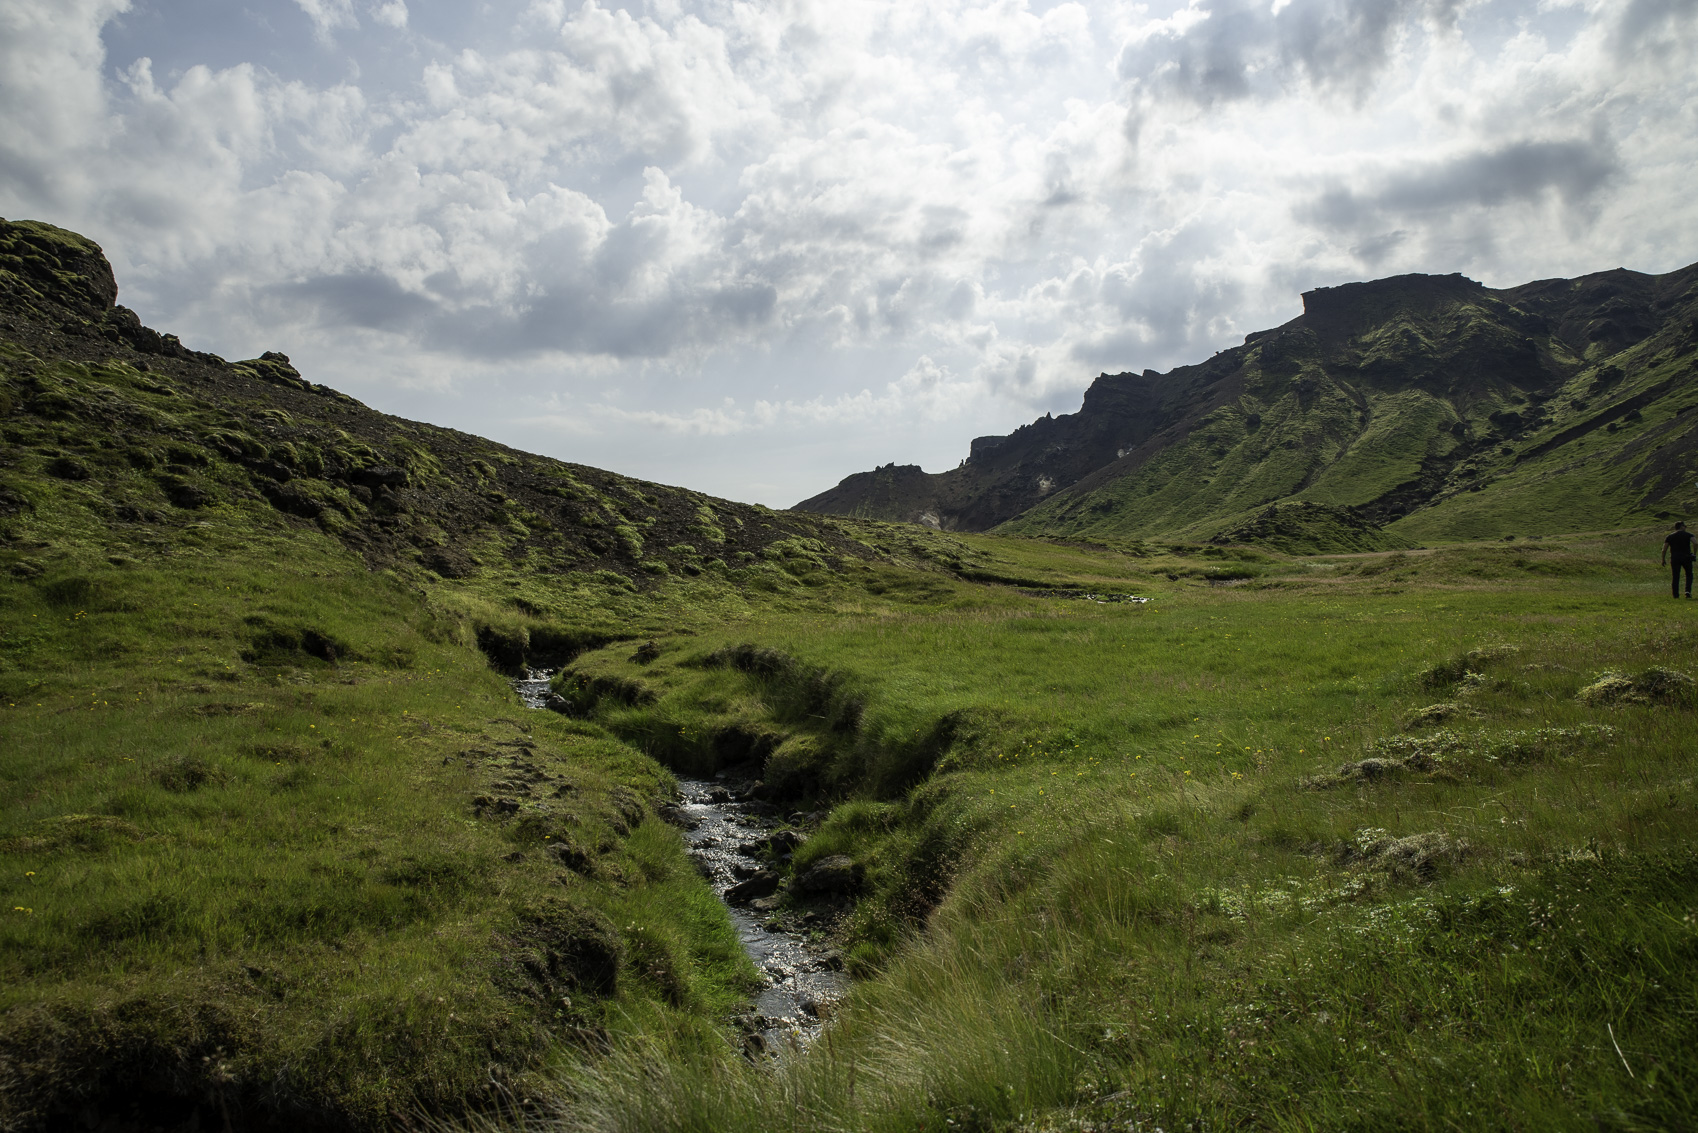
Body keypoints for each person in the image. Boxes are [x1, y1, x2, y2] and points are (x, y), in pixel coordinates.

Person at [1663, 521, 1697, 598]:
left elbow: (1664, 549)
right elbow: (1695, 543)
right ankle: (1687, 591)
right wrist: (1694, 554)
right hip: (1686, 557)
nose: (1685, 527)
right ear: (1681, 526)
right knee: (1689, 574)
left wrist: (1663, 559)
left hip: (1675, 558)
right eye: (1685, 526)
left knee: (1675, 576)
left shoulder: (1669, 536)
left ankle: (1675, 594)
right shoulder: (1688, 535)